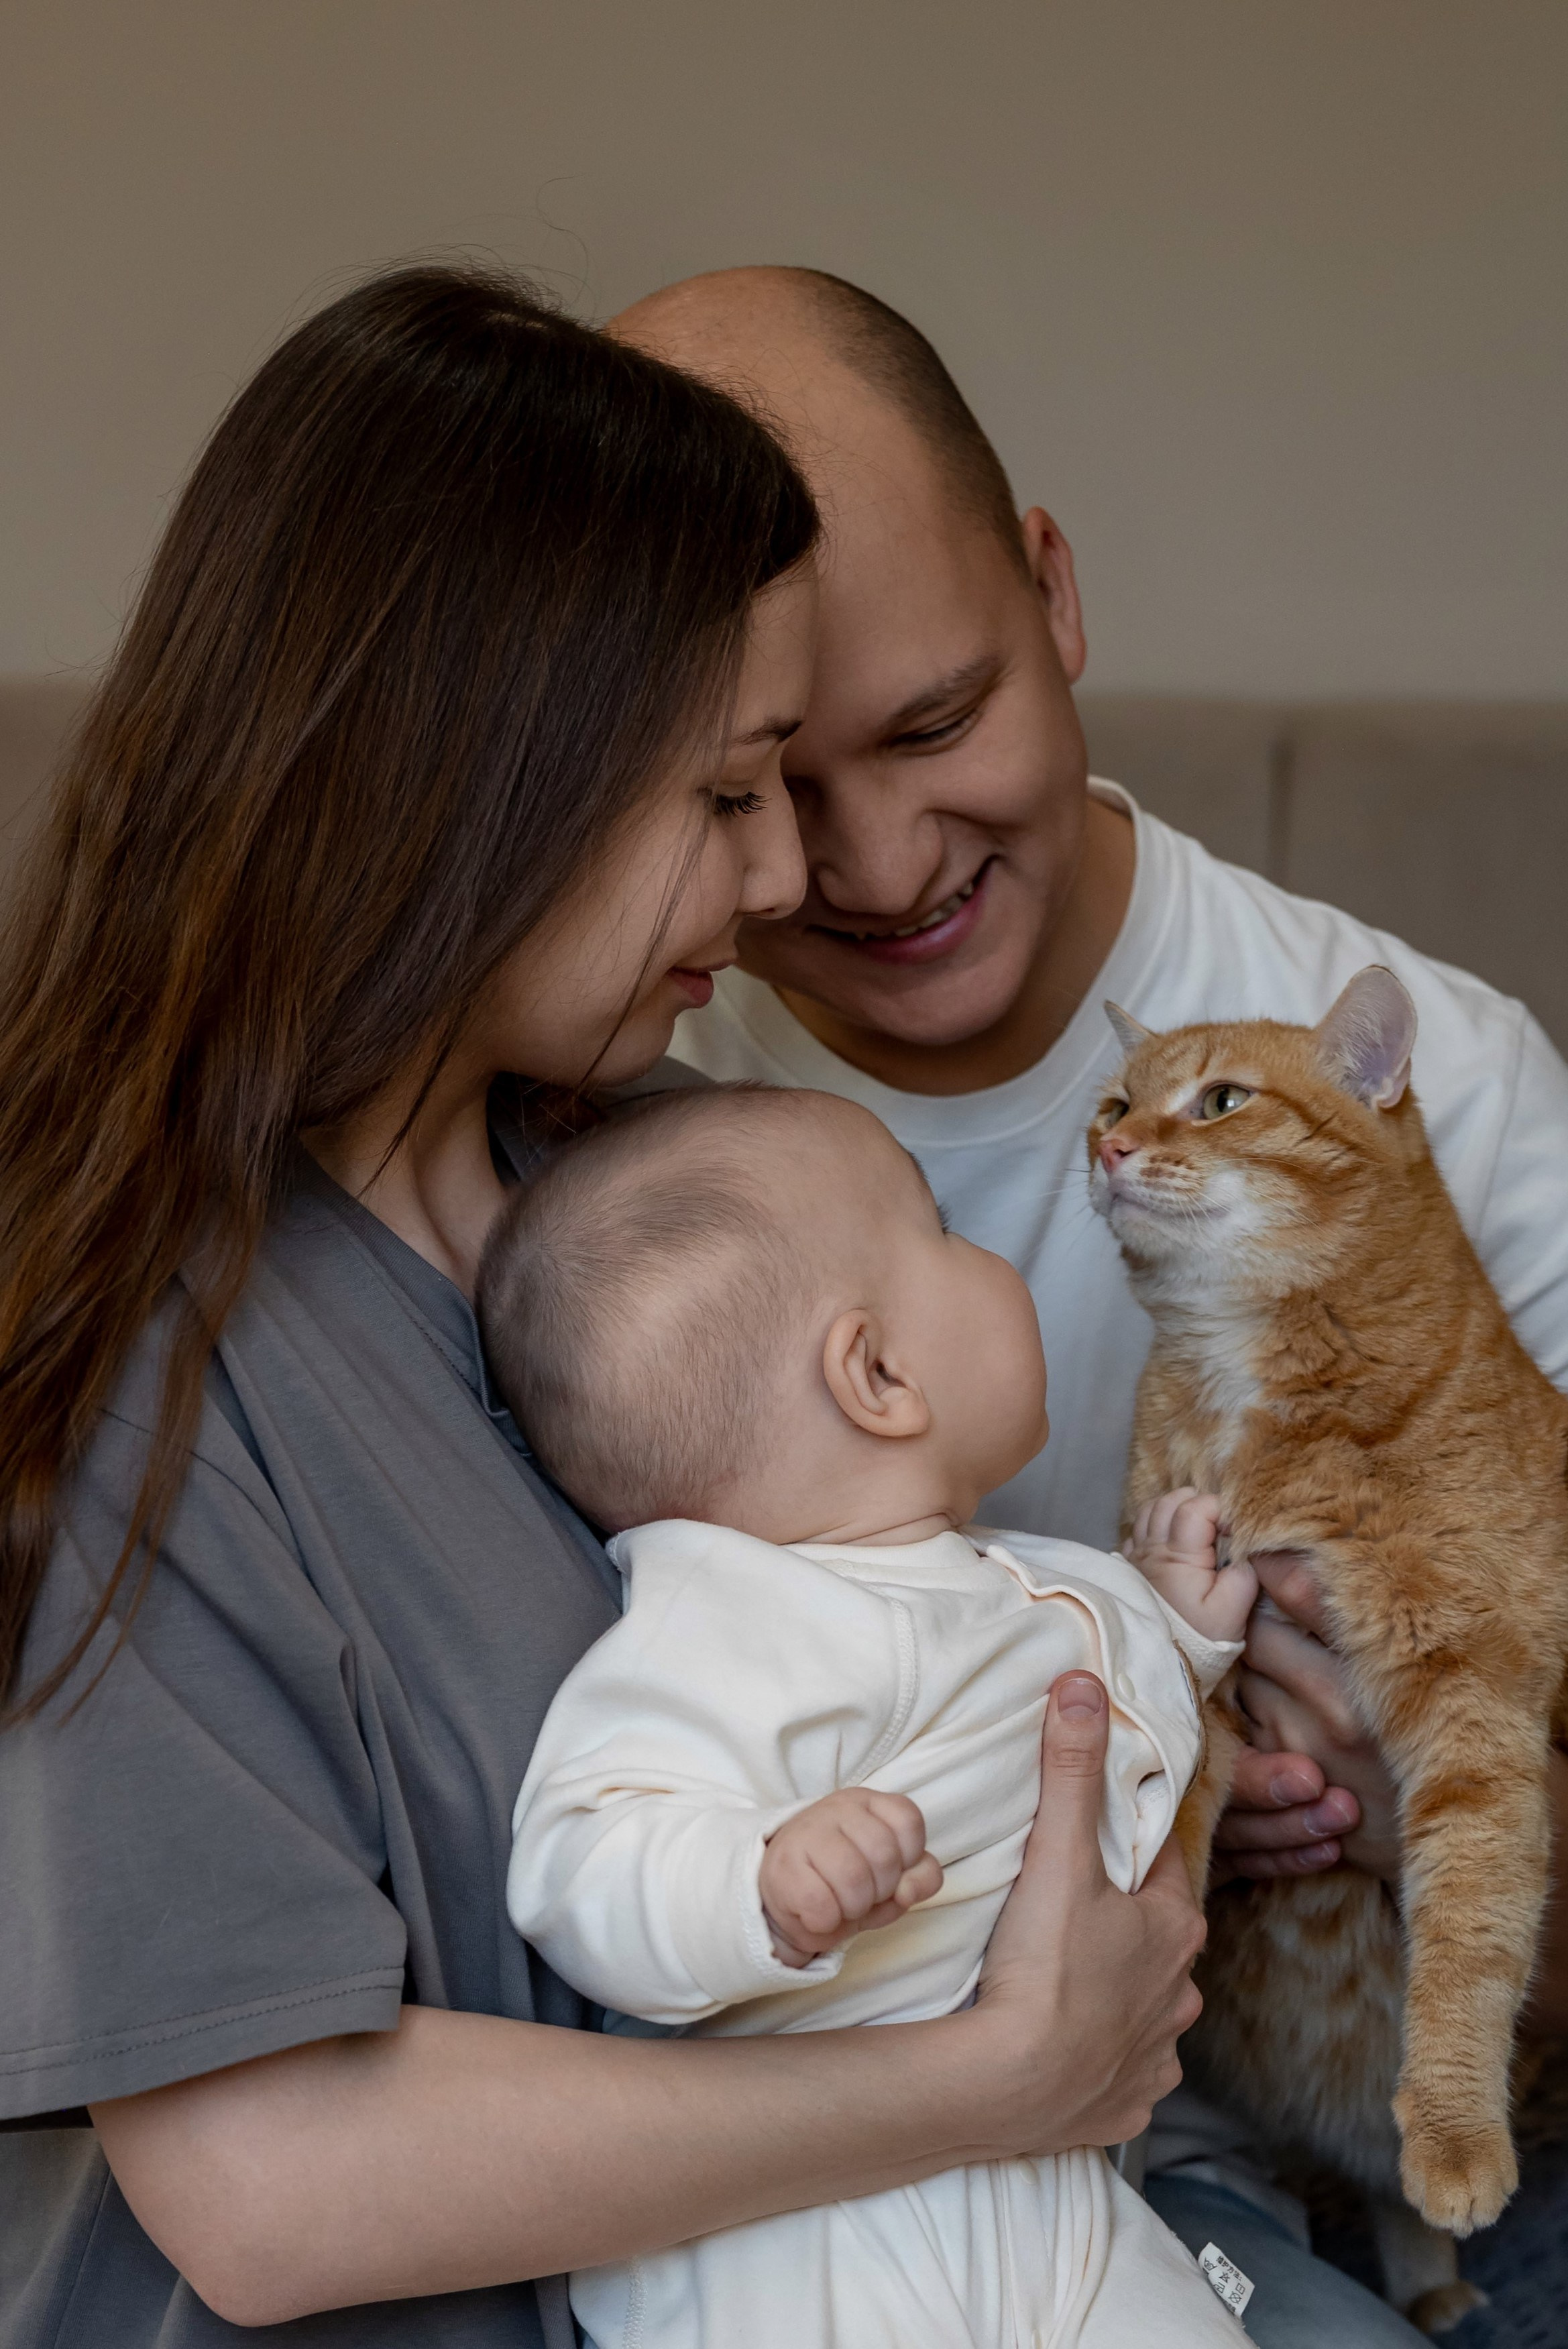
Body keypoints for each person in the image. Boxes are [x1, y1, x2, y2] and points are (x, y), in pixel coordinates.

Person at [0, 263, 1211, 2348]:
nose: (776, 887)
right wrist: (990, 2075)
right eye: (727, 792)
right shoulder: (145, 1360)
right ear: (478, 779)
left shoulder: (642, 1175)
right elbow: (270, 2180)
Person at [612, 262, 1568, 2342]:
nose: (873, 864)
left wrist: (1434, 1800)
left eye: (937, 722)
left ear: (1053, 594)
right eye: (765, 776)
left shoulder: (1450, 1097)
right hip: (933, 2180)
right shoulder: (630, 1144)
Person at [489, 1081, 1253, 2348]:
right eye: (945, 1228)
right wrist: (754, 1884)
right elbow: (583, 1849)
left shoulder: (1001, 1578)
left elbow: (1069, 1713)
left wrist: (1172, 1630)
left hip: (1051, 2200)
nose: (993, 1254)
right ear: (880, 1373)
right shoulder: (734, 1621)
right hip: (807, 2239)